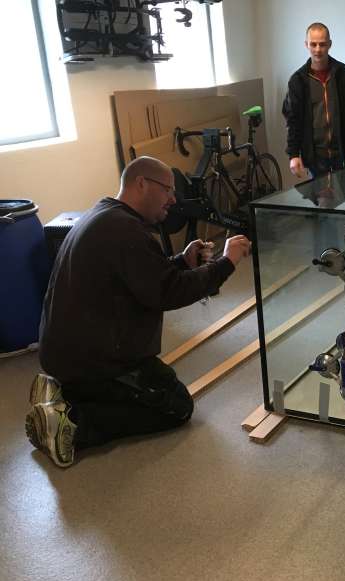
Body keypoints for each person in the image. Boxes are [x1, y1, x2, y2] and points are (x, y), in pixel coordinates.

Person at [26, 156, 252, 468]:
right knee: (175, 406)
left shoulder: (105, 216)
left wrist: (182, 261)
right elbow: (168, 292)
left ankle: (66, 394)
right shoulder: (125, 230)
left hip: (69, 353)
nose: (173, 199)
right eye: (167, 190)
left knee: (159, 384)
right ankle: (74, 424)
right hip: (92, 360)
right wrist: (226, 263)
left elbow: (145, 277)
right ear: (141, 183)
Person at [282, 22, 345, 179]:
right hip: (315, 158)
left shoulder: (344, 74)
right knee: (321, 195)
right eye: (313, 44)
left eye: (322, 44)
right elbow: (293, 120)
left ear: (330, 44)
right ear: (306, 45)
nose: (318, 49)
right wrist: (293, 155)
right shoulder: (297, 80)